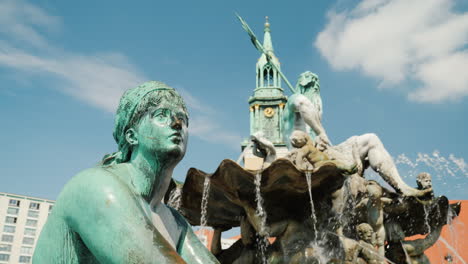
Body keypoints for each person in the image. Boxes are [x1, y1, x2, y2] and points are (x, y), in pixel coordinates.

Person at [33, 81, 219, 263]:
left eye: (183, 119)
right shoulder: (95, 187)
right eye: (162, 115)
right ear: (131, 135)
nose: (177, 123)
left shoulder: (174, 221)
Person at [283, 71, 431, 197]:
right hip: (304, 160)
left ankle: (401, 188)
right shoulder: (293, 101)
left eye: (316, 87)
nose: (314, 89)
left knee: (371, 139)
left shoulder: (314, 111)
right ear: (303, 86)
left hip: (327, 153)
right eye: (311, 86)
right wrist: (321, 132)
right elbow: (303, 105)